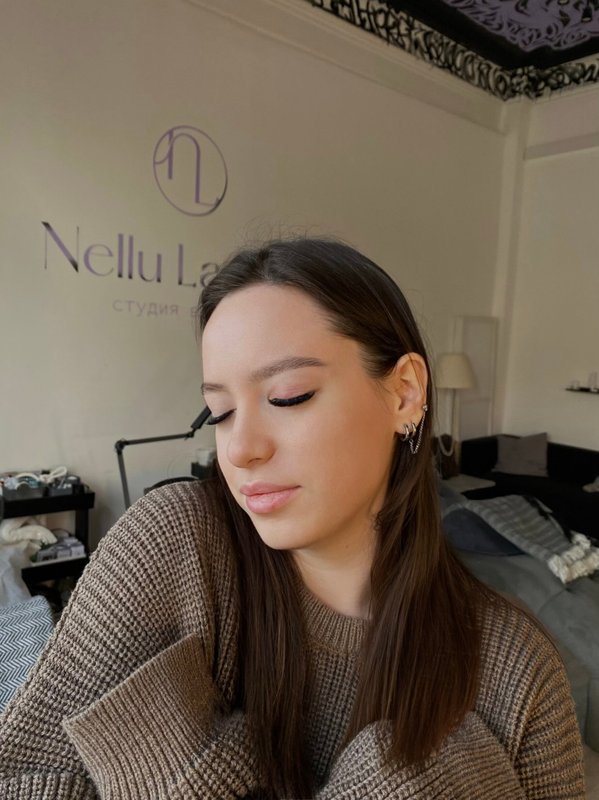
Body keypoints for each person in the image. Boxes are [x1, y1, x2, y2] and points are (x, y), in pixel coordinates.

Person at [0, 237, 585, 799]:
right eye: (220, 412)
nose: (239, 449)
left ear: (404, 393)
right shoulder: (173, 544)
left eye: (287, 397)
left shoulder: (519, 674)